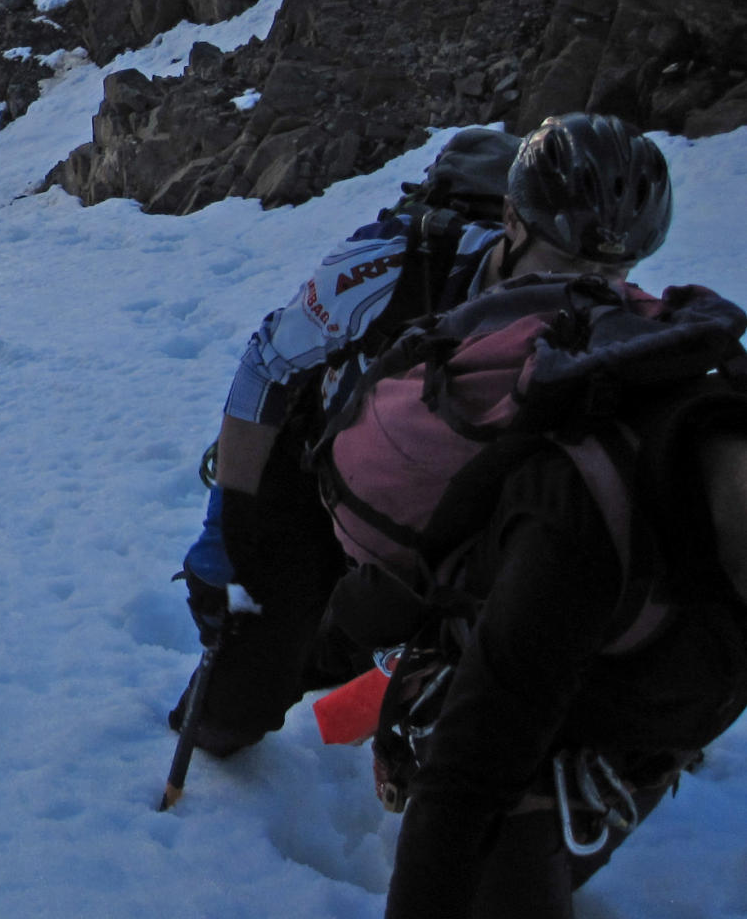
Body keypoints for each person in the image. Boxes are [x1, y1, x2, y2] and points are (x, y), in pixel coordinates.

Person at [329, 115, 747, 918]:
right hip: (516, 619)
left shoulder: (693, 392)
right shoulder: (581, 515)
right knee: (495, 841)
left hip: (614, 653)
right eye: (576, 258)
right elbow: (464, 787)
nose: (597, 280)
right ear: (510, 222)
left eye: (614, 266)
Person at [174, 128, 518, 753]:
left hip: (434, 512)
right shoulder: (393, 260)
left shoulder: (574, 311)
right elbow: (268, 363)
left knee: (378, 651)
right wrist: (229, 520)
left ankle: (352, 697)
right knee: (232, 712)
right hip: (319, 476)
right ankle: (303, 683)